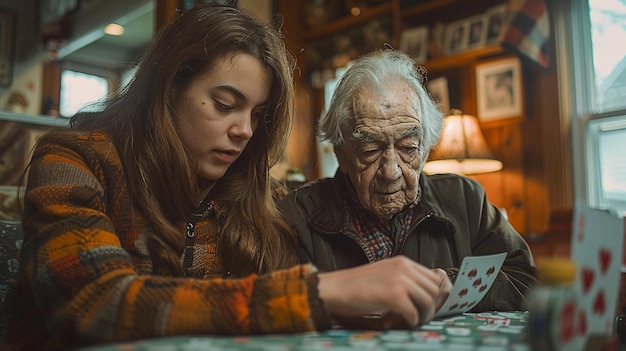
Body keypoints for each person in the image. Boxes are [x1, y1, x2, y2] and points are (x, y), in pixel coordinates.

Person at [3, 5, 453, 350]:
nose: (245, 130)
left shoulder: (247, 197)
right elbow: (95, 304)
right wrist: (321, 292)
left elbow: (271, 314)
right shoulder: (73, 161)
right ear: (169, 88)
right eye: (224, 105)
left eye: (257, 114)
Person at [279, 48, 537, 314]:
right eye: (370, 151)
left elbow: (526, 281)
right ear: (341, 154)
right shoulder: (297, 217)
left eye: (408, 148)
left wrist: (451, 283)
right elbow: (275, 308)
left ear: (425, 149)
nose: (391, 172)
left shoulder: (466, 200)